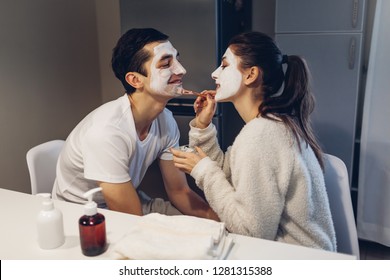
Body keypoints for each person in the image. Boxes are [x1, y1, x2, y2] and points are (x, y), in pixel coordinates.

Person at [171, 31, 337, 251]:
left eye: (224, 65)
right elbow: (229, 177)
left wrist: (204, 171)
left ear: (250, 75)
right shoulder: (270, 125)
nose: (214, 74)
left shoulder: (261, 136)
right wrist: (202, 127)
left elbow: (251, 232)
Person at [52, 28, 218, 220]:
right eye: (166, 64)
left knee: (208, 229)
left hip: (134, 204)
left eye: (177, 60)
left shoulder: (166, 120)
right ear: (135, 80)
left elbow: (179, 191)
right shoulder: (107, 132)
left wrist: (225, 224)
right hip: (82, 215)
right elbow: (130, 219)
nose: (181, 70)